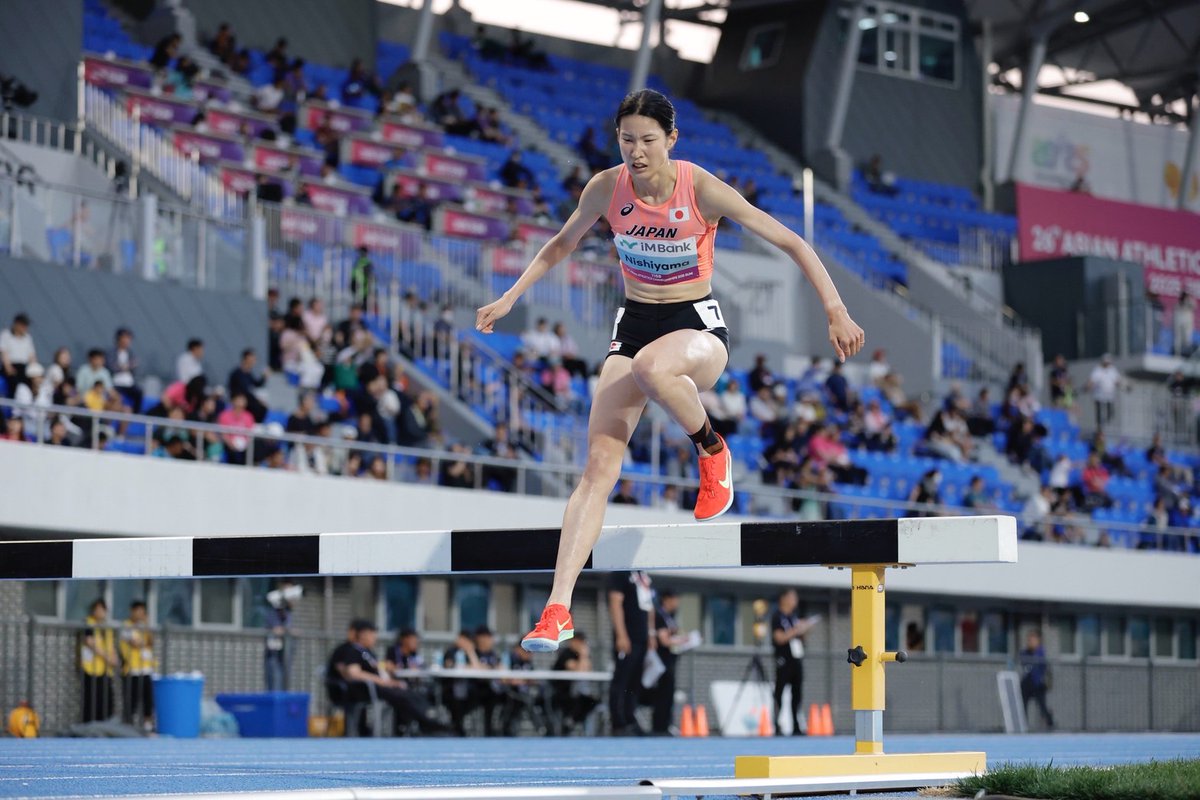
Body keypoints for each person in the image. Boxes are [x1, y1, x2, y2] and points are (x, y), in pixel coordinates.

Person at [477, 89, 863, 652]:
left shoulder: (699, 186)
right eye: (626, 140)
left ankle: (711, 449)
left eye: (648, 141)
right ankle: (557, 609)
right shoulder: (606, 188)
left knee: (654, 368)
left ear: (671, 140)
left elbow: (791, 241)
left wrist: (836, 308)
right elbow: (562, 243)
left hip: (697, 330)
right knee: (596, 469)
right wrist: (510, 297)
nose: (636, 152)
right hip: (633, 323)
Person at [327, 619, 446, 736]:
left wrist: (388, 673)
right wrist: (382, 681)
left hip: (378, 686)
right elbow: (353, 673)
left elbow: (376, 666)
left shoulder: (366, 652)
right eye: (372, 635)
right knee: (404, 696)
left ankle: (428, 723)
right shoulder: (353, 650)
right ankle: (430, 725)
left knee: (411, 693)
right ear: (363, 635)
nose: (375, 638)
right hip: (366, 688)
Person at [605, 571, 655, 735]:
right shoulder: (620, 572)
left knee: (635, 681)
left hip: (642, 636)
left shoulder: (643, 575)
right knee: (621, 679)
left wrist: (651, 633)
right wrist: (621, 634)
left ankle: (630, 717)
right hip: (627, 635)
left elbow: (649, 606)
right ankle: (617, 722)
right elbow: (615, 602)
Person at [772, 588, 816, 735]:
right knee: (779, 692)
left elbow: (799, 638)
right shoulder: (778, 617)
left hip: (796, 658)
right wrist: (795, 630)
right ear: (783, 598)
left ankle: (796, 725)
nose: (794, 601)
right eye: (792, 598)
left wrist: (805, 629)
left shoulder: (793, 617)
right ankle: (776, 725)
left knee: (797, 693)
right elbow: (779, 638)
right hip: (784, 659)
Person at [647, 589, 687, 735]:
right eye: (675, 599)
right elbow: (664, 640)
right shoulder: (659, 615)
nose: (677, 603)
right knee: (662, 695)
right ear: (667, 599)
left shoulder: (670, 616)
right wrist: (683, 640)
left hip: (670, 661)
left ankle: (666, 724)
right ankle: (659, 726)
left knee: (668, 694)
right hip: (662, 662)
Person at [551, 632, 600, 734]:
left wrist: (584, 656)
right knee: (579, 701)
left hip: (577, 693)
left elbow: (587, 671)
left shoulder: (583, 656)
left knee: (593, 701)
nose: (581, 644)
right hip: (562, 692)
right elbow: (579, 671)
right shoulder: (565, 654)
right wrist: (583, 655)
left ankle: (571, 721)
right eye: (579, 641)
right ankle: (569, 723)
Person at [119, 600, 155, 730]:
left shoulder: (144, 627)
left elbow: (151, 642)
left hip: (145, 669)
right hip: (131, 669)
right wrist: (143, 641)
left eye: (142, 612)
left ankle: (148, 726)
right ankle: (129, 725)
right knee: (131, 699)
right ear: (132, 611)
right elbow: (135, 643)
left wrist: (147, 625)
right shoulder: (126, 626)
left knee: (148, 699)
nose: (140, 614)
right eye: (138, 611)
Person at [81, 598, 118, 723]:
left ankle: (105, 728)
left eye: (102, 609)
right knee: (91, 701)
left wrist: (114, 658)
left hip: (105, 671)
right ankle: (89, 729)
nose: (100, 612)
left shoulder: (106, 628)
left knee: (106, 701)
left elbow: (111, 645)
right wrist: (108, 658)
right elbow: (90, 642)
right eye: (97, 609)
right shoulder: (88, 623)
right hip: (91, 670)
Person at [1018, 629, 1054, 729]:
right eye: (1029, 640)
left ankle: (1050, 723)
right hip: (1027, 684)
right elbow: (1022, 659)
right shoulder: (1025, 652)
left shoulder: (1040, 652)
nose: (1030, 642)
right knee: (1023, 704)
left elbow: (1041, 664)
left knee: (1042, 705)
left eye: (1033, 639)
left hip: (1038, 684)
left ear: (1038, 640)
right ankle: (1023, 725)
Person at [264, 579, 296, 691]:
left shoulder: (288, 613)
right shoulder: (273, 611)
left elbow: (289, 629)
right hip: (274, 652)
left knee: (285, 682)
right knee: (274, 681)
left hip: (285, 654)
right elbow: (275, 629)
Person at [0, 313, 37, 398]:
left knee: (32, 385)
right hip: (11, 367)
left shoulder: (28, 338)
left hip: (24, 368)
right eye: (24, 325)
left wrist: (35, 372)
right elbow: (4, 354)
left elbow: (32, 357)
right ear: (17, 324)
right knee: (13, 384)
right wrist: (9, 368)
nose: (25, 328)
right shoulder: (6, 335)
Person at [1086, 354, 1122, 429]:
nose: (1107, 364)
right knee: (1099, 414)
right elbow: (1091, 381)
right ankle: (1099, 428)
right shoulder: (1097, 370)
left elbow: (1117, 381)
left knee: (1110, 413)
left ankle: (1106, 426)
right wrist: (1087, 387)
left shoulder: (1112, 370)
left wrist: (1124, 386)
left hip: (1109, 396)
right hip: (1099, 396)